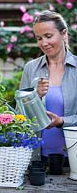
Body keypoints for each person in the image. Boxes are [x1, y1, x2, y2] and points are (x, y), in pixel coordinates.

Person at [19, 10, 77, 166]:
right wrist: (34, 97)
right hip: (37, 160)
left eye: (48, 36)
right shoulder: (31, 69)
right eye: (39, 38)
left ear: (64, 34)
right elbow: (19, 117)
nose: (44, 43)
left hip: (72, 160)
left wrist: (61, 121)